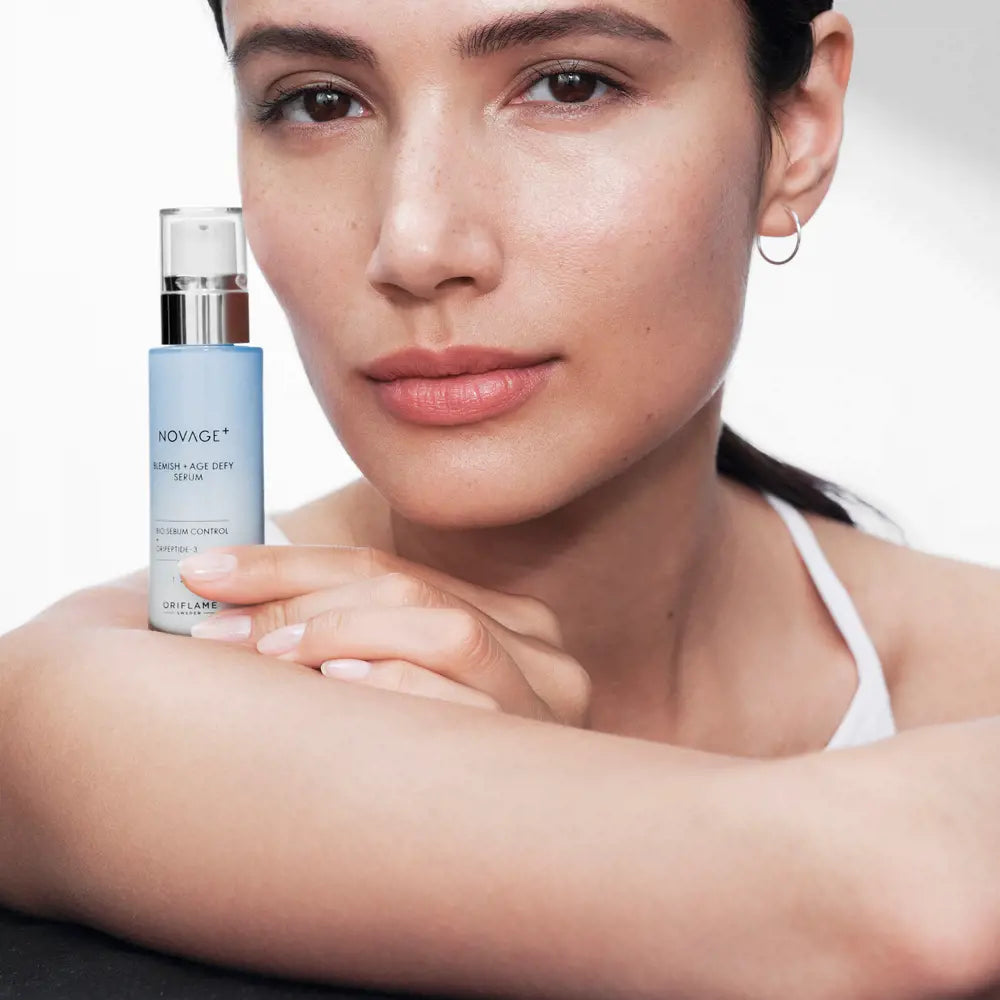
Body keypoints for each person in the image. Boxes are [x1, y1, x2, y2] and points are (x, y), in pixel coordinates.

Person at [3, 1, 1000, 997]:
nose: (416, 244)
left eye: (569, 85)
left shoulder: (971, 664)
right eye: (318, 102)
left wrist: (519, 797)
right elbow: (897, 898)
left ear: (799, 127)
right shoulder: (93, 702)